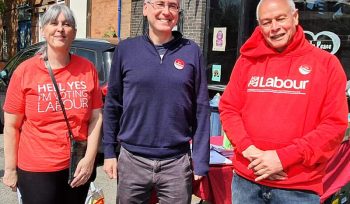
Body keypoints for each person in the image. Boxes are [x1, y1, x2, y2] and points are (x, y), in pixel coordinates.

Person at [219, 0, 348, 203]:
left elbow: (334, 126)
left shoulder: (326, 64)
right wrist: (248, 149)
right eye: (267, 22)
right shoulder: (247, 61)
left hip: (297, 188)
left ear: (295, 17)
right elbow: (229, 109)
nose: (275, 28)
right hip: (246, 182)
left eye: (281, 18)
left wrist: (282, 158)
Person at [102, 0, 210, 203]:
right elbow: (112, 105)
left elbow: (202, 109)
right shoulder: (126, 50)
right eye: (160, 4)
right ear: (145, 9)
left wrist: (201, 158)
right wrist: (109, 152)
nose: (166, 12)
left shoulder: (191, 51)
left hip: (177, 163)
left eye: (173, 6)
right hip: (132, 160)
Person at [2, 4, 103, 204]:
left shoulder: (87, 69)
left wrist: (90, 158)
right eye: (53, 23)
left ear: (74, 32)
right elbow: (11, 126)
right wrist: (10, 169)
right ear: (43, 30)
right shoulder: (25, 71)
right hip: (36, 170)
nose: (60, 28)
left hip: (77, 166)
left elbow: (96, 117)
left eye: (66, 24)